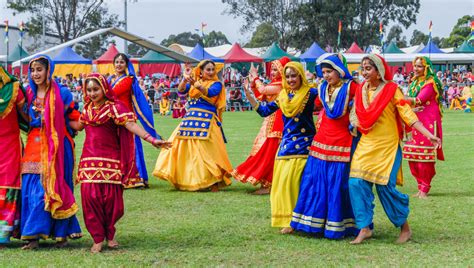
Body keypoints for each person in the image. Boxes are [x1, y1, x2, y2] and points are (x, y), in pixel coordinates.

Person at [71, 73, 170, 253]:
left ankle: (110, 234)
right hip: (89, 161)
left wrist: (152, 140)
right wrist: (56, 115)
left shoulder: (114, 108)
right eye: (89, 90)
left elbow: (131, 125)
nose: (92, 93)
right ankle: (97, 238)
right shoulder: (86, 110)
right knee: (90, 199)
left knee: (112, 201)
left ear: (104, 89)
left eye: (96, 89)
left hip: (111, 160)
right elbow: (78, 126)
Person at [348, 54, 441, 245]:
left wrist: (428, 134)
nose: (364, 72)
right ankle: (364, 227)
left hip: (387, 146)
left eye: (368, 68)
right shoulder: (361, 89)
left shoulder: (392, 89)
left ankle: (404, 228)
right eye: (363, 68)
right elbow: (355, 114)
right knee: (356, 183)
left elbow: (407, 114)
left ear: (379, 70)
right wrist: (354, 124)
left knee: (385, 187)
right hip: (366, 144)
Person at [243, 62, 318, 234]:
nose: (291, 79)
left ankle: (304, 220)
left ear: (300, 76)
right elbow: (264, 111)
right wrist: (249, 96)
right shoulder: (283, 95)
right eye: (288, 76)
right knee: (282, 185)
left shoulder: (311, 93)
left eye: (294, 75)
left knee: (299, 184)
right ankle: (288, 220)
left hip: (306, 145)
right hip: (286, 146)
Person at [290, 54, 358, 239]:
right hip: (322, 140)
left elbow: (364, 104)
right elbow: (312, 104)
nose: (327, 75)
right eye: (324, 72)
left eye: (330, 71)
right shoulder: (321, 88)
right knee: (313, 180)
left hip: (343, 140)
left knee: (339, 184)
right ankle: (308, 223)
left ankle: (338, 224)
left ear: (339, 70)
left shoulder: (352, 87)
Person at [20, 55, 82, 249]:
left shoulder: (62, 93)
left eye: (40, 69)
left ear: (49, 70)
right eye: (33, 70)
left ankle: (61, 234)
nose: (36, 74)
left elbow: (74, 120)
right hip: (33, 145)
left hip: (57, 146)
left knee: (56, 186)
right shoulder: (28, 93)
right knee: (32, 190)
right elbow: (23, 118)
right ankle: (32, 236)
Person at [153, 60, 233, 192]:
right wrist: (185, 79)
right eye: (208, 69)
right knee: (181, 148)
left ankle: (214, 181)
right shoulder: (195, 81)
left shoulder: (217, 84)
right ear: (201, 71)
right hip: (190, 119)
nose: (211, 72)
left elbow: (210, 92)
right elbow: (181, 91)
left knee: (208, 152)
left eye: (213, 69)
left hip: (207, 119)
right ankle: (187, 178)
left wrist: (194, 83)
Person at [232, 57, 290, 194]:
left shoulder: (281, 84)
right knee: (265, 150)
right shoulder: (275, 83)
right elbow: (260, 95)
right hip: (270, 118)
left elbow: (263, 90)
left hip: (278, 121)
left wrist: (255, 77)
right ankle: (267, 182)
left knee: (269, 151)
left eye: (276, 69)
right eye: (272, 69)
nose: (272, 72)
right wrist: (252, 83)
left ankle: (269, 184)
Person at [109, 53, 160, 188]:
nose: (119, 64)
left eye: (122, 62)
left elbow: (111, 93)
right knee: (117, 147)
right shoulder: (111, 79)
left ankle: (138, 177)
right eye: (117, 62)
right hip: (113, 117)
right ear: (113, 64)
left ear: (126, 65)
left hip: (126, 116)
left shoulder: (128, 79)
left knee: (132, 146)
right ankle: (119, 176)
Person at [402, 56, 445, 199]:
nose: (416, 68)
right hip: (415, 121)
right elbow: (412, 101)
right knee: (413, 157)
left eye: (420, 66)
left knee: (424, 158)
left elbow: (419, 100)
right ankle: (420, 186)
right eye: (415, 66)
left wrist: (398, 98)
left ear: (427, 68)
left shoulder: (431, 82)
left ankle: (425, 188)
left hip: (427, 122)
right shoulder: (414, 82)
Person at [0, 67, 27, 246]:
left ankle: (4, 232)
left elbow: (27, 117)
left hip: (9, 146)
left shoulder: (14, 88)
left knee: (9, 184)